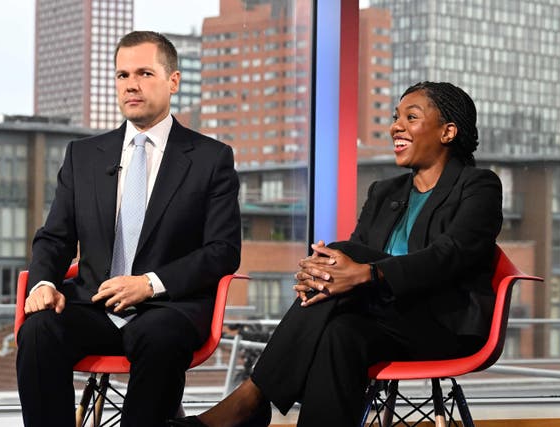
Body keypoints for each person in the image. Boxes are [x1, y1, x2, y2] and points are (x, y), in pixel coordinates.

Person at [169, 81, 503, 427]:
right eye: (395, 117)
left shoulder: (479, 186)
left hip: (443, 327)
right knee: (339, 334)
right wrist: (322, 275)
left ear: (448, 131)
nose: (395, 126)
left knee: (341, 254)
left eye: (411, 117)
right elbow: (352, 261)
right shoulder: (383, 192)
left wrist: (367, 274)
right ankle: (252, 402)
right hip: (383, 321)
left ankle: (251, 398)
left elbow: (452, 255)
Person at [16, 31, 241, 427]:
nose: (131, 85)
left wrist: (150, 283)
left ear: (173, 81)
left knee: (159, 338)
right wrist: (43, 284)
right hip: (93, 305)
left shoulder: (211, 159)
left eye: (144, 73)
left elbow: (223, 250)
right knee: (38, 331)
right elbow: (55, 237)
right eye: (122, 75)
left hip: (168, 307)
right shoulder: (82, 156)